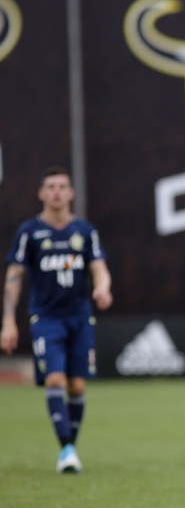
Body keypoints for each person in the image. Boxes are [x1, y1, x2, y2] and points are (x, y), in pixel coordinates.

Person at [1, 166, 112, 474]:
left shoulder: (85, 231)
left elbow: (99, 267)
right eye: (51, 186)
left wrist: (103, 287)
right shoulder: (29, 232)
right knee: (54, 379)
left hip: (79, 317)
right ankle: (66, 449)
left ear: (71, 193)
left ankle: (69, 449)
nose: (57, 192)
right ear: (42, 193)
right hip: (46, 318)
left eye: (63, 186)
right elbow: (13, 277)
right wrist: (8, 321)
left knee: (76, 386)